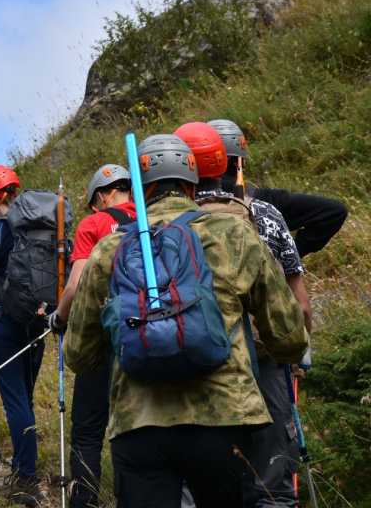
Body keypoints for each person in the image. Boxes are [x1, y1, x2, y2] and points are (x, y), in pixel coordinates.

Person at [65, 134, 309, 508]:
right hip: (223, 420)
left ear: (139, 192)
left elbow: (79, 356)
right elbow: (290, 337)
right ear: (193, 185)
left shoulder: (109, 248)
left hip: (138, 426)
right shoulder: (235, 234)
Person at [175, 121, 312, 508]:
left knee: (199, 489)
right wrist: (297, 350)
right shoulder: (263, 214)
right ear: (227, 163)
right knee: (272, 486)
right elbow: (298, 302)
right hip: (262, 361)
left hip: (187, 366)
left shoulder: (159, 225)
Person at [50, 164, 135, 508]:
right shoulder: (153, 216)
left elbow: (75, 284)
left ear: (101, 195)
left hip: (102, 340)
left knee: (87, 430)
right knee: (133, 428)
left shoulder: (94, 223)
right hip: (152, 335)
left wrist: (59, 317)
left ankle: (84, 501)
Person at [0, 165, 45, 506]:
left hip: (5, 324)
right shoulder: (44, 226)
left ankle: (25, 477)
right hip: (39, 321)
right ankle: (22, 463)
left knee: (16, 400)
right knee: (25, 396)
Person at [209, 118, 348, 258]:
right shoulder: (264, 202)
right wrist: (288, 258)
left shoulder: (188, 203)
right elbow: (334, 212)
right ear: (241, 162)